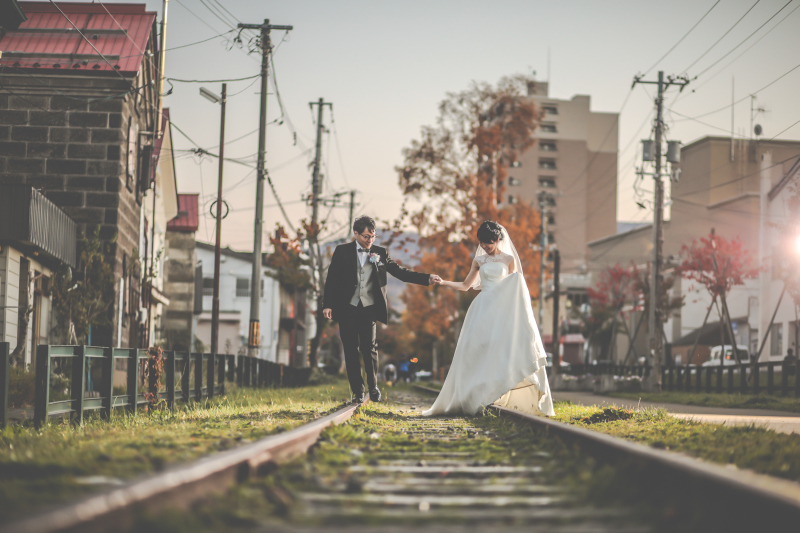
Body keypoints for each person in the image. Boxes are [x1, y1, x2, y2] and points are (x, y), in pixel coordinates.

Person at [423, 221, 555, 417]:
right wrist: (444, 282)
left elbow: (514, 287)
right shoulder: (479, 261)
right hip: (482, 308)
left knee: (499, 350)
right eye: (482, 243)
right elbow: (467, 285)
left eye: (489, 243)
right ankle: (471, 397)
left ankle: (493, 394)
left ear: (498, 240)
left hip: (501, 310)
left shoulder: (509, 259)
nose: (484, 246)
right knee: (475, 350)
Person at [323, 216, 441, 403]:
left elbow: (400, 272)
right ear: (355, 233)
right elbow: (332, 279)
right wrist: (327, 304)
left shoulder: (380, 253)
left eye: (373, 236)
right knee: (350, 350)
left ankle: (373, 386)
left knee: (369, 348)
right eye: (365, 236)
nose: (369, 240)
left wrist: (426, 278)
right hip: (347, 308)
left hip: (369, 307)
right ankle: (358, 392)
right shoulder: (342, 251)